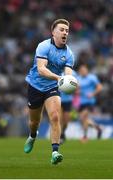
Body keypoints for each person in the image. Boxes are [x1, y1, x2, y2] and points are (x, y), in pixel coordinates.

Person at [24, 19, 75, 165]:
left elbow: (68, 74)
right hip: (35, 86)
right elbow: (41, 69)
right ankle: (33, 136)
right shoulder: (43, 46)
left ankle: (55, 152)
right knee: (34, 122)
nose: (65, 32)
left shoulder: (69, 54)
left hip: (53, 87)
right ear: (53, 32)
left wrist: (69, 83)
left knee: (54, 116)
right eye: (61, 29)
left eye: (67, 30)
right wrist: (59, 77)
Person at [75, 63, 103, 142]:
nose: (83, 71)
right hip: (81, 102)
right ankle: (97, 127)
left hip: (90, 101)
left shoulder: (92, 78)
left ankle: (85, 137)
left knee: (83, 117)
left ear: (87, 70)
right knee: (83, 119)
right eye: (81, 70)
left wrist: (92, 94)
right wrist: (77, 92)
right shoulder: (78, 78)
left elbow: (100, 87)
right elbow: (76, 90)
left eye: (84, 70)